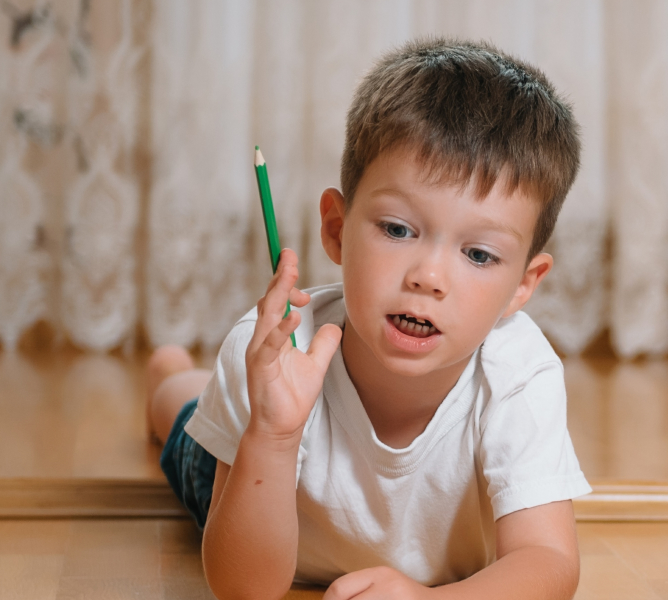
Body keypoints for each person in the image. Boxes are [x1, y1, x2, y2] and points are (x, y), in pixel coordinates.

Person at [142, 39, 588, 600]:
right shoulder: (273, 361)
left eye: (478, 255)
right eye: (398, 230)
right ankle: (168, 372)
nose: (428, 276)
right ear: (336, 228)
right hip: (253, 492)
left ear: (524, 283)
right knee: (184, 421)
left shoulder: (520, 375)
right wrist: (271, 437)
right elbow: (243, 590)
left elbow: (547, 562)